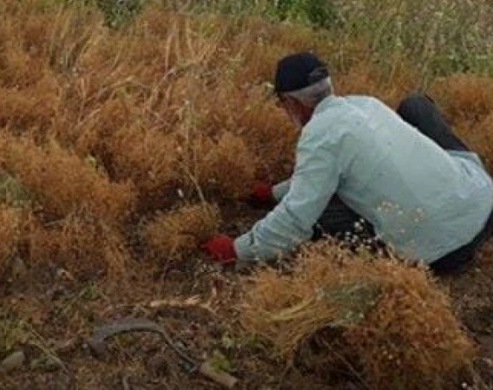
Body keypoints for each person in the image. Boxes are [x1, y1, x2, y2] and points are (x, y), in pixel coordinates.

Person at [201, 52, 493, 275]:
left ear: (291, 103)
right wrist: (275, 193)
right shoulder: (366, 104)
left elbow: (295, 218)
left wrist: (237, 250)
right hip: (482, 201)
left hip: (444, 252)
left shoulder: (319, 136)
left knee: (319, 215)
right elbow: (329, 166)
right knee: (415, 106)